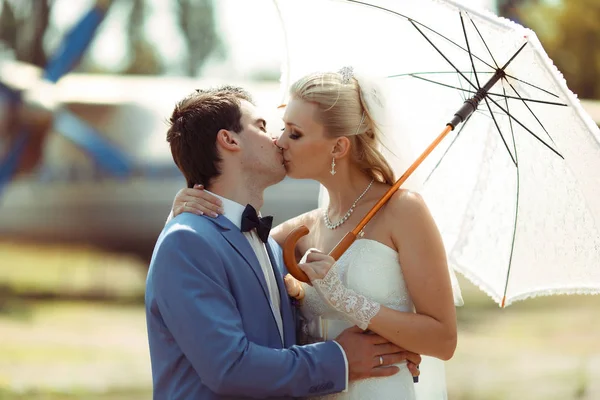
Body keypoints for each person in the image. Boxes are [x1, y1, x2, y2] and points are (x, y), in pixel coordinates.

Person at [172, 68, 459, 399]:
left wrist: (345, 299)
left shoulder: (404, 211)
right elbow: (226, 250)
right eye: (283, 129)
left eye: (294, 134)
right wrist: (181, 206)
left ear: (338, 147)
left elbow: (443, 339)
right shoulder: (299, 231)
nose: (279, 142)